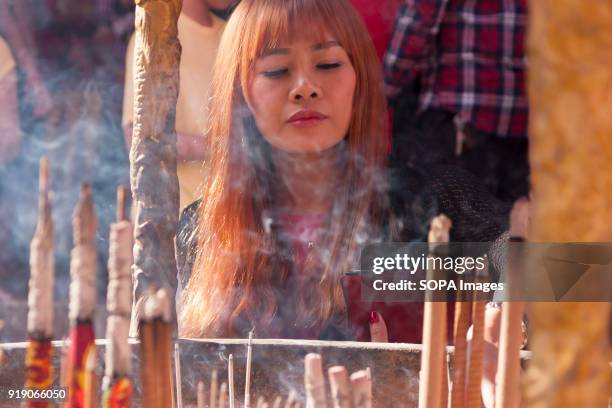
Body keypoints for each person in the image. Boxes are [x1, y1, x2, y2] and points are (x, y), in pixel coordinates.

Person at [175, 0, 510, 341]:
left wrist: (503, 316)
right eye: (277, 70)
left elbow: (552, 268)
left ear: (359, 79)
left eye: (328, 63)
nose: (305, 87)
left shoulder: (429, 203)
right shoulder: (203, 231)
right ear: (241, 93)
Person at [384, 0, 529, 203]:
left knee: (446, 228)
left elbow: (412, 30)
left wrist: (382, 93)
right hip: (524, 137)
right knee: (514, 229)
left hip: (457, 133)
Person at [122, 0, 241, 211]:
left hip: (230, 213)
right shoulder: (154, 38)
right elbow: (141, 140)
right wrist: (221, 147)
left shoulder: (234, 35)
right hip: (174, 222)